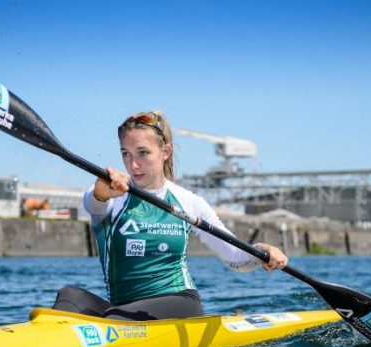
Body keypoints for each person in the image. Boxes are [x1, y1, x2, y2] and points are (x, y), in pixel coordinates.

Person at [53, 111, 288, 321]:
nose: (133, 164)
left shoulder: (189, 202)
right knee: (69, 295)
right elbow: (93, 205)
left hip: (179, 302)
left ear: (165, 152)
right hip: (123, 311)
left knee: (114, 317)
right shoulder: (109, 194)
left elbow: (236, 259)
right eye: (126, 154)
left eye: (143, 153)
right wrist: (101, 194)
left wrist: (262, 252)